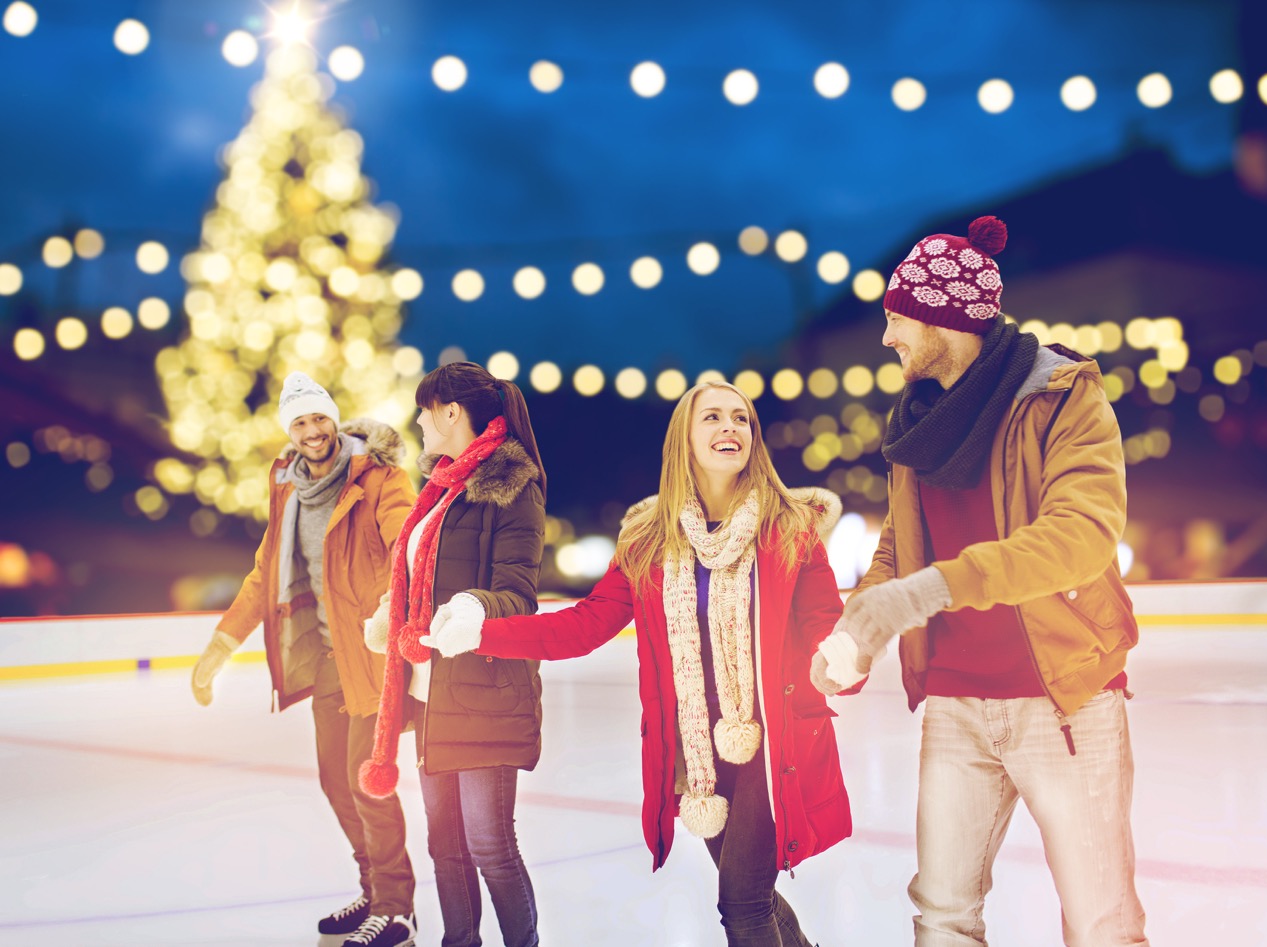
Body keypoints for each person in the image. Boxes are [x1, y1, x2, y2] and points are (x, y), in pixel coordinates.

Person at [426, 380, 864, 947]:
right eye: (712, 418)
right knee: (751, 894)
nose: (729, 428)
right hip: (695, 752)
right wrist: (485, 632)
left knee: (742, 902)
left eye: (741, 419)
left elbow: (824, 625)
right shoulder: (648, 542)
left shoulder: (789, 532)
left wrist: (842, 657)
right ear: (684, 438)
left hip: (770, 743)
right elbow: (585, 625)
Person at [818, 217, 1148, 946]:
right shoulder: (917, 427)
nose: (887, 337)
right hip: (956, 705)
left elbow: (1081, 538)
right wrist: (856, 632)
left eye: (897, 318)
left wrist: (922, 591)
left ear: (943, 316)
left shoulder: (1062, 397)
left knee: (1101, 923)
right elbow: (901, 550)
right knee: (942, 916)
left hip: (1063, 703)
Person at [190, 371, 419, 947]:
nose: (313, 431)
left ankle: (398, 910)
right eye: (300, 422)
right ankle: (373, 890)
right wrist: (221, 645)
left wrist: (397, 602)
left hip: (370, 654)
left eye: (320, 418)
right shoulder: (289, 491)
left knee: (368, 782)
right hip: (324, 662)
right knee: (335, 784)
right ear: (289, 433)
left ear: (334, 421)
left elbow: (408, 542)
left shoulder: (379, 481)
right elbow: (265, 575)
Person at [358, 361, 547, 947]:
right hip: (429, 693)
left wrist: (470, 608)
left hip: (484, 691)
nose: (417, 419)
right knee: (446, 846)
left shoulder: (510, 482)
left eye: (425, 408)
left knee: (490, 845)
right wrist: (395, 609)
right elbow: (420, 577)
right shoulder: (442, 487)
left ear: (451, 411)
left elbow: (517, 591)